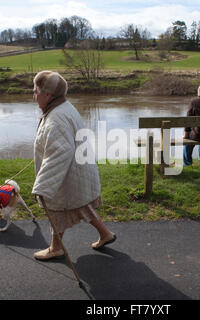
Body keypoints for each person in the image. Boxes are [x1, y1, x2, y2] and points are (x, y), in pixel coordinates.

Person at [31, 70, 116, 260]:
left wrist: (43, 185)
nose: (34, 96)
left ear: (48, 94)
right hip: (76, 170)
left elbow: (60, 152)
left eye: (36, 91)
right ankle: (105, 234)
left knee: (56, 209)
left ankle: (55, 248)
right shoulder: (62, 108)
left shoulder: (56, 118)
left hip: (68, 173)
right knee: (80, 205)